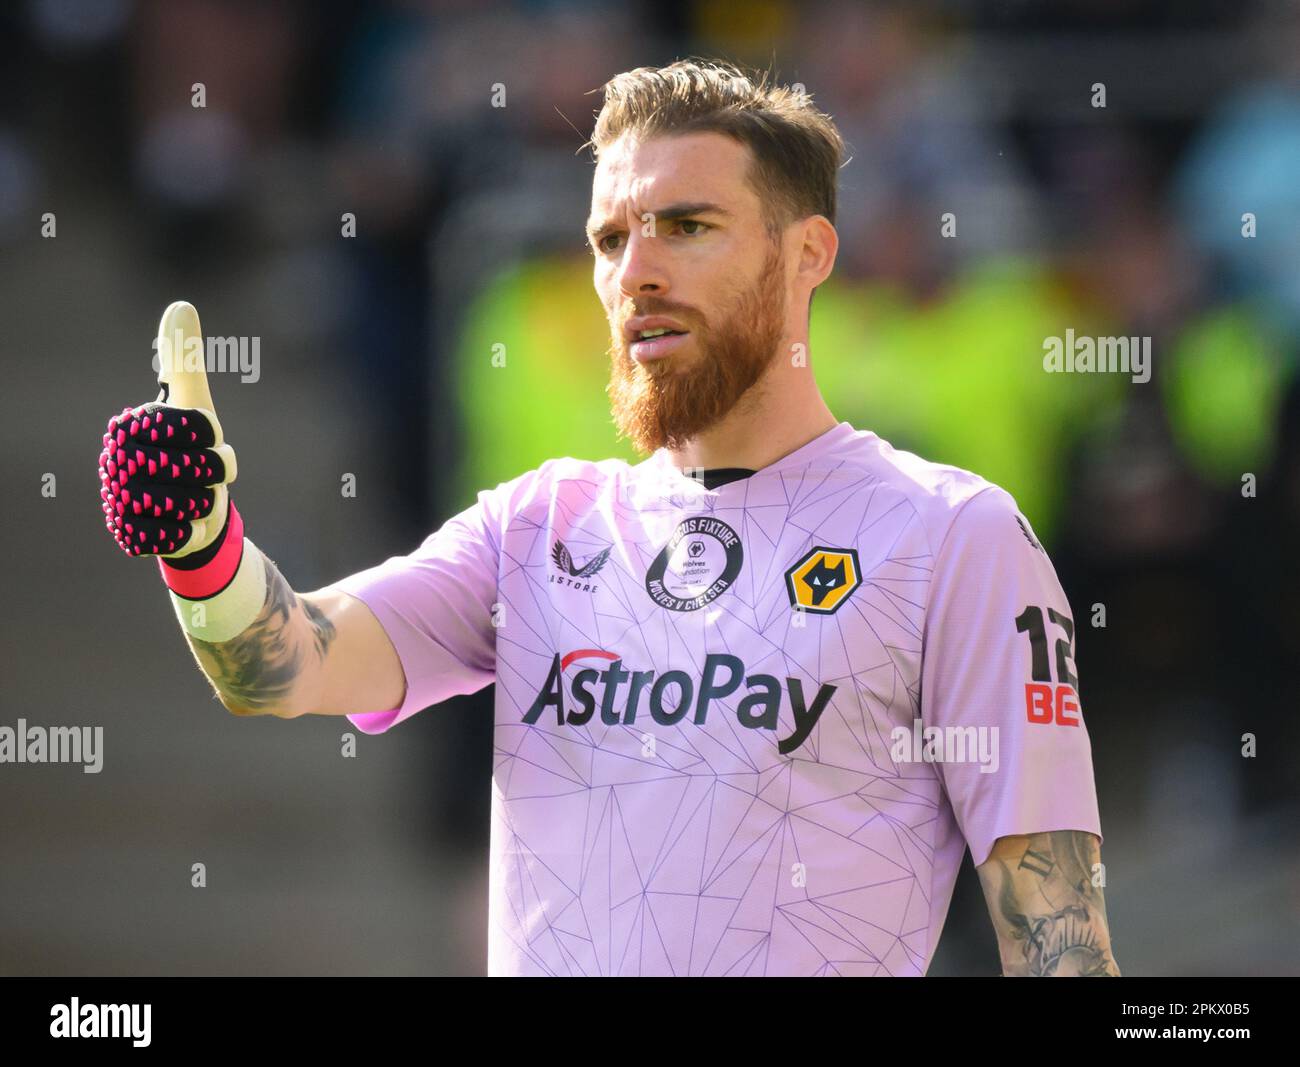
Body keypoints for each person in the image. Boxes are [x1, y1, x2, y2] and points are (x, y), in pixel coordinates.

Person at [97, 59, 1119, 977]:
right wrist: (200, 544)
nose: (634, 271)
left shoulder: (953, 537)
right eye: (609, 236)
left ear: (808, 252)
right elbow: (281, 664)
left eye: (687, 225)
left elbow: (1061, 946)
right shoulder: (534, 525)